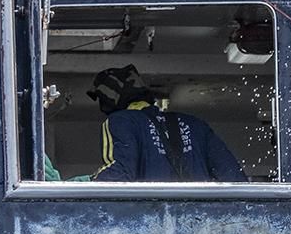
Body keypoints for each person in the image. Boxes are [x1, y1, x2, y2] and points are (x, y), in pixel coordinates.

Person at [86, 64, 246, 182]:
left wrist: (82, 184)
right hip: (198, 222)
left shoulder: (121, 121)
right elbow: (235, 178)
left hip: (150, 221)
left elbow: (119, 174)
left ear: (108, 100)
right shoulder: (196, 125)